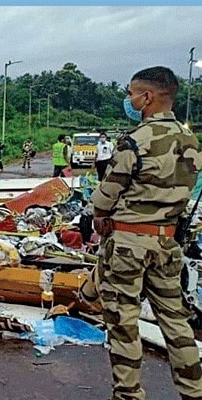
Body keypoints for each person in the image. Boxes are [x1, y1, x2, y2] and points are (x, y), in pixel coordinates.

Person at [82, 66, 202, 400]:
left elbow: (107, 193)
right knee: (176, 323)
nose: (129, 99)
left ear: (146, 97)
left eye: (132, 93)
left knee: (123, 322)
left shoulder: (137, 140)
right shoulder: (190, 140)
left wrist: (101, 215)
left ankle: (128, 394)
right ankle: (194, 391)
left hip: (128, 244)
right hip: (167, 241)